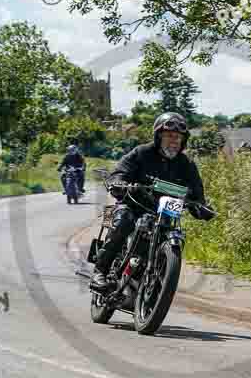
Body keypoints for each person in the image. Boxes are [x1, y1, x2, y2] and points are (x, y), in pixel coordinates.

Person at [90, 112, 215, 290]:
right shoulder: (142, 152)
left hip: (164, 214)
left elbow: (197, 194)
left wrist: (201, 207)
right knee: (124, 219)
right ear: (158, 136)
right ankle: (100, 271)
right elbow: (119, 173)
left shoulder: (186, 164)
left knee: (171, 232)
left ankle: (154, 276)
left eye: (178, 137)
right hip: (134, 204)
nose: (174, 141)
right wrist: (119, 183)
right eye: (169, 136)